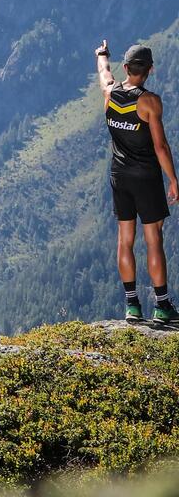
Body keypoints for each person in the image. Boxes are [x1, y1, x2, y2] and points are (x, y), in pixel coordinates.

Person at [97, 41, 179, 328]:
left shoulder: (110, 92)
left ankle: (132, 305)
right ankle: (162, 306)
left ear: (127, 67)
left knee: (125, 240)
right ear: (151, 70)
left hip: (119, 176)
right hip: (146, 177)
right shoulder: (150, 102)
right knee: (154, 238)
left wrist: (102, 54)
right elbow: (160, 146)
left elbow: (104, 72)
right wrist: (173, 179)